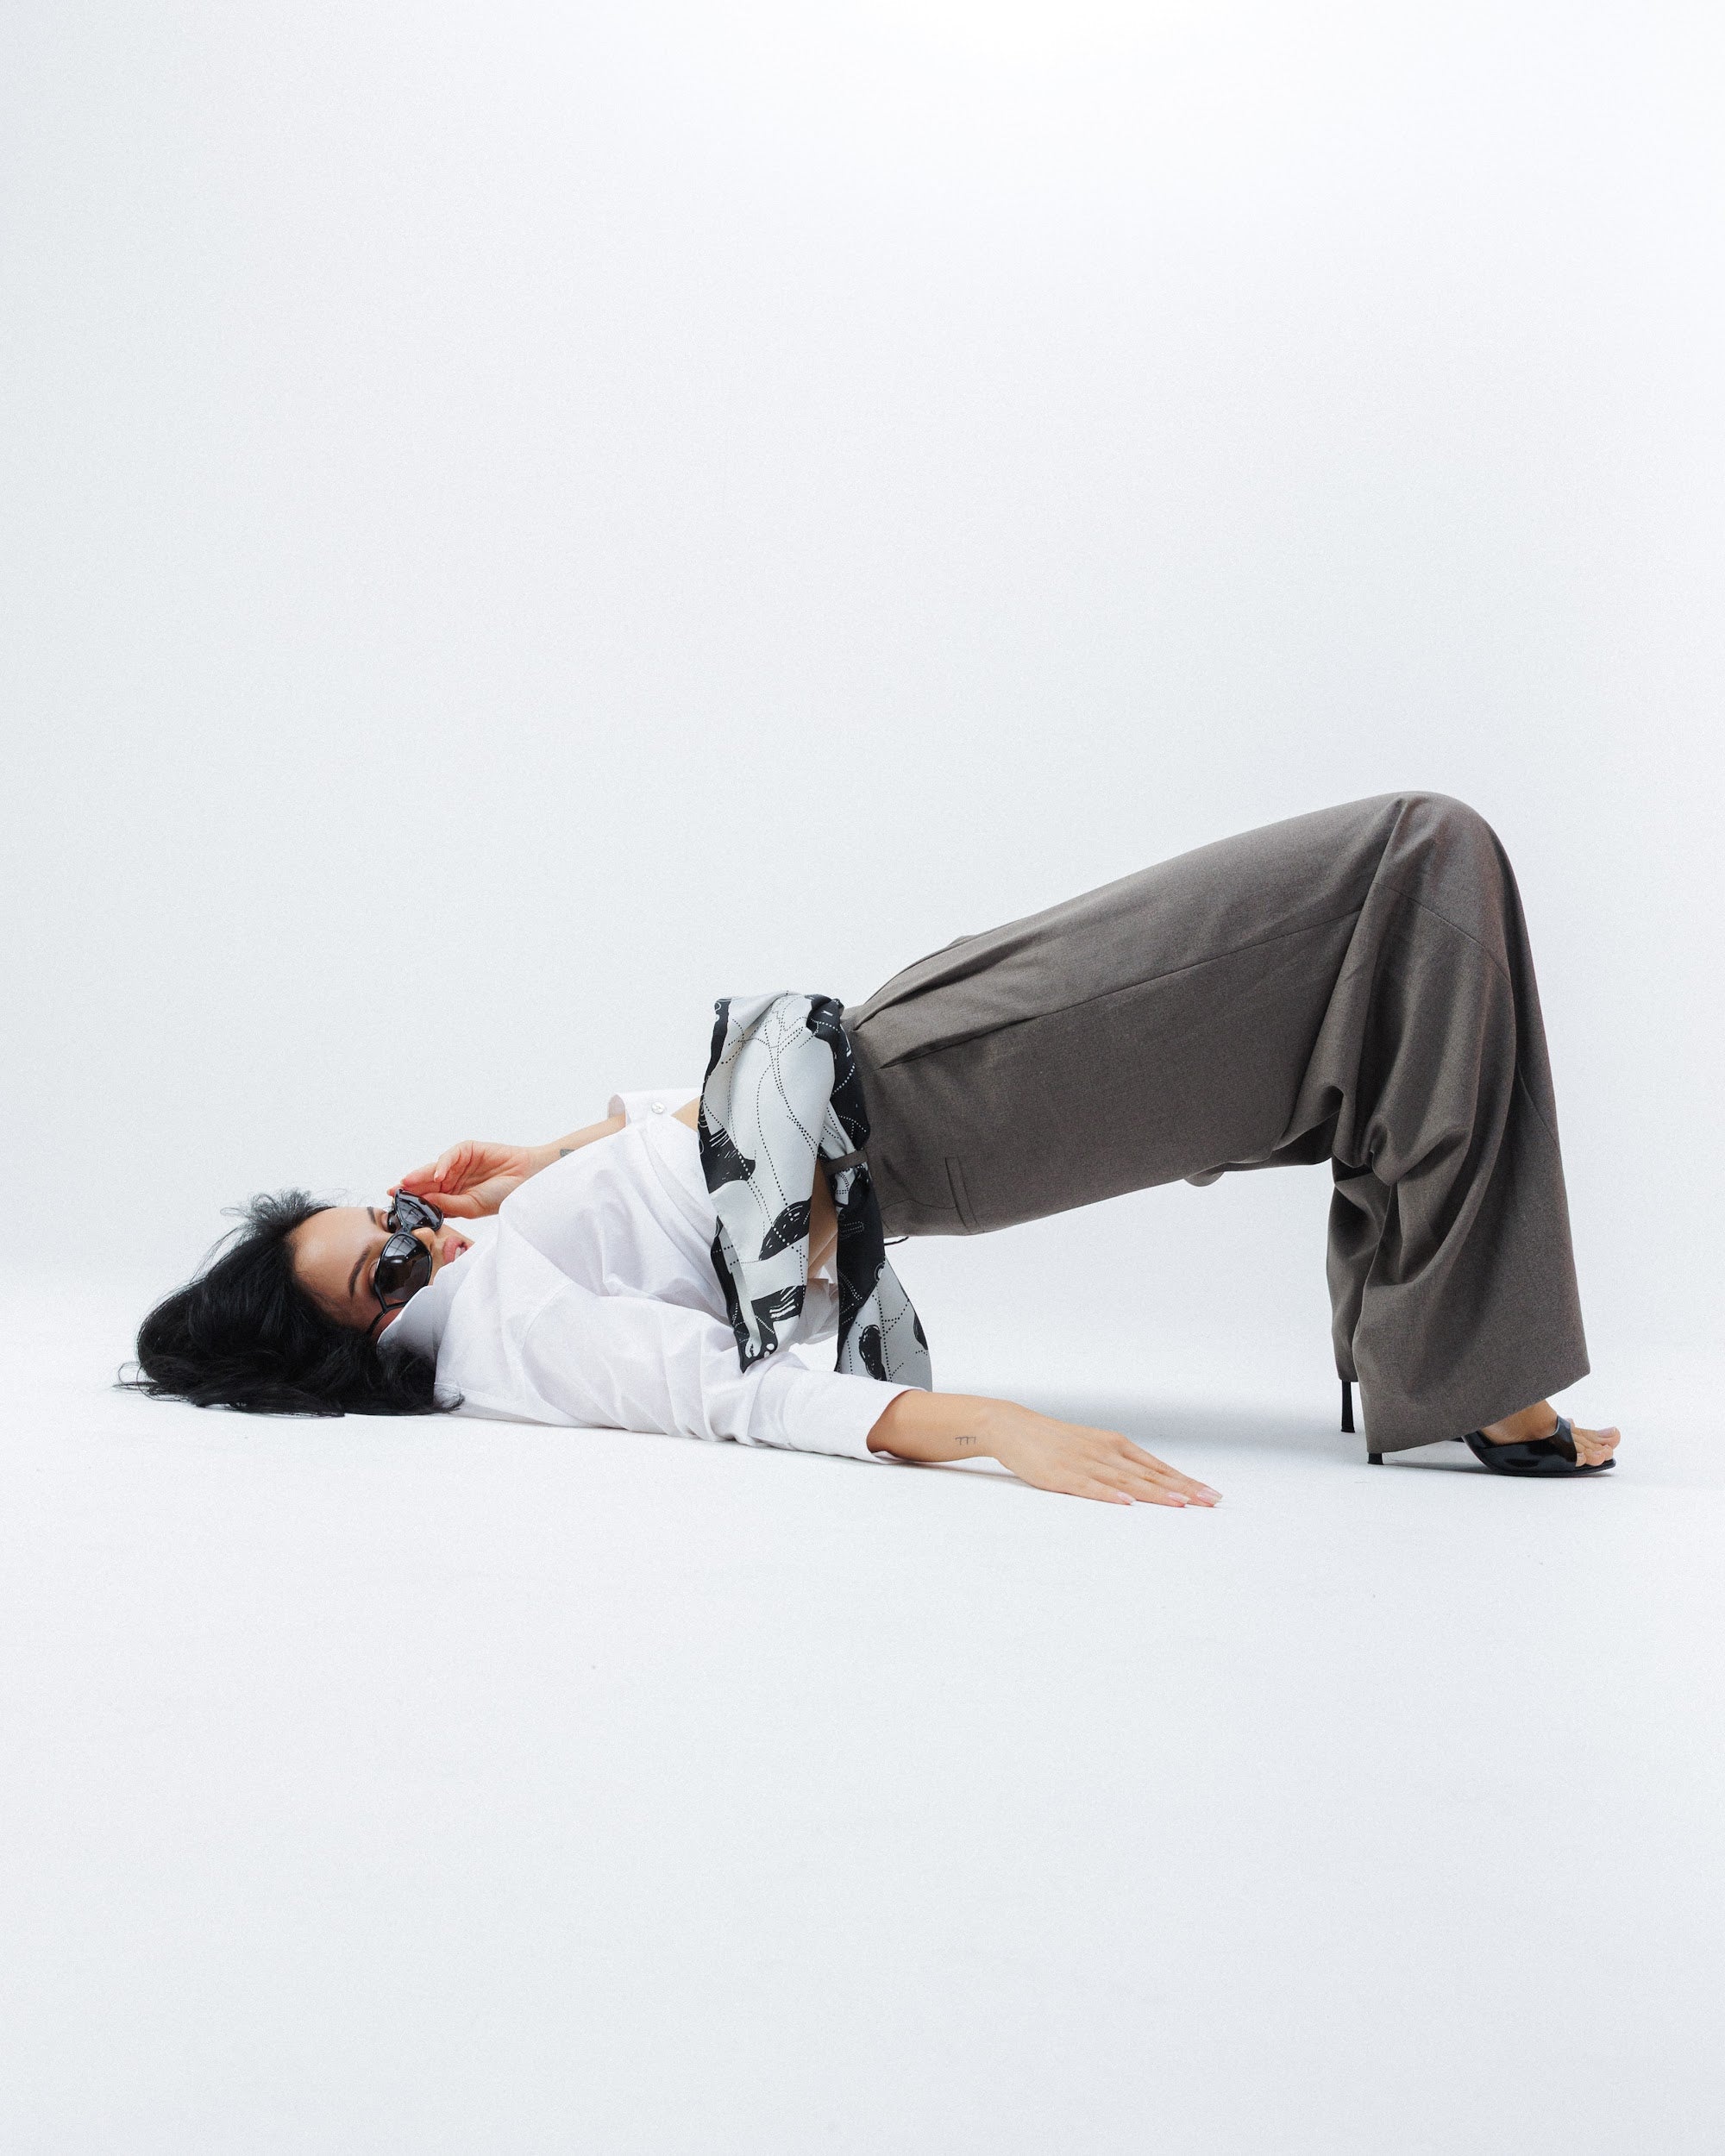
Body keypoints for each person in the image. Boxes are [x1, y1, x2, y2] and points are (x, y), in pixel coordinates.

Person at [127, 792, 1622, 1503]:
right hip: (934, 1103)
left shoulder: (498, 1265)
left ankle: (1466, 1373)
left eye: (391, 1209)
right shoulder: (505, 1343)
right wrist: (996, 1430)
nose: (423, 1235)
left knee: (1364, 979)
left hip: (893, 1057)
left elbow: (702, 1156)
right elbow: (731, 1399)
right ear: (353, 1356)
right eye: (389, 1263)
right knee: (1412, 862)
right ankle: (1476, 1379)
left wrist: (540, 1161)